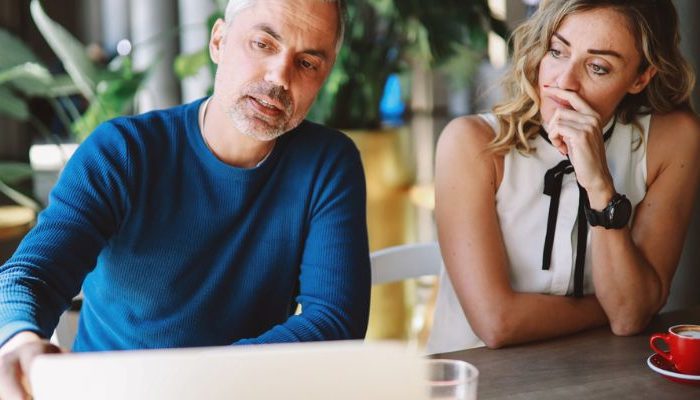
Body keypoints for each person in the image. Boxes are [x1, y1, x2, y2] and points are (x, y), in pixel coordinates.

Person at [0, 0, 370, 396]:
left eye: (307, 63)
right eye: (263, 44)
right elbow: (30, 276)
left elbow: (333, 320)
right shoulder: (122, 153)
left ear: (325, 75)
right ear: (218, 41)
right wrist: (21, 343)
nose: (280, 76)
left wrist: (196, 383)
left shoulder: (329, 163)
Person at [427, 0, 700, 354]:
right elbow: (497, 323)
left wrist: (600, 186)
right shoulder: (471, 143)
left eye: (598, 67)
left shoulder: (673, 140)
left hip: (603, 375)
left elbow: (631, 316)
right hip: (475, 379)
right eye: (557, 51)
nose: (564, 82)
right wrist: (616, 308)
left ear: (640, 77)